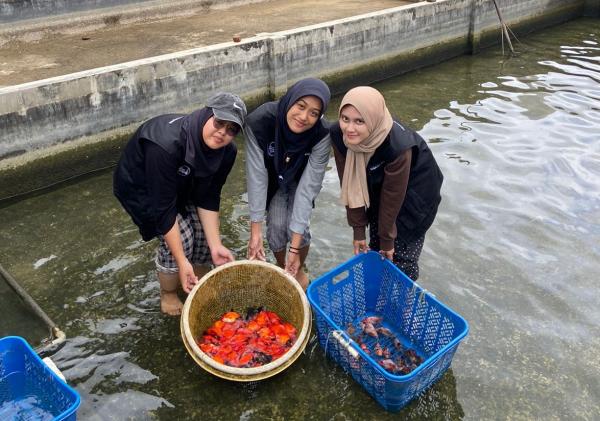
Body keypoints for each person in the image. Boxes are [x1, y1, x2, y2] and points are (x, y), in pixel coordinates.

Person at [113, 92, 247, 315]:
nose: (222, 132)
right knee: (181, 240)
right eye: (219, 122)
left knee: (204, 238)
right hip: (143, 187)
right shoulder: (165, 144)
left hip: (184, 179)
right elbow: (164, 209)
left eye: (231, 129)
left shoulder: (227, 152)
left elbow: (209, 196)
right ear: (207, 114)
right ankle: (168, 294)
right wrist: (181, 260)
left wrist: (215, 246)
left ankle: (197, 283)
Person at [330, 86, 443, 280]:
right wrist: (358, 231)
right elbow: (350, 185)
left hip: (416, 193)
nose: (349, 128)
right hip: (379, 183)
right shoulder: (340, 136)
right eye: (345, 119)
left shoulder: (397, 146)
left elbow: (392, 198)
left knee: (399, 254)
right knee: (375, 248)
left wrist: (387, 241)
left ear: (373, 120)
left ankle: (402, 297)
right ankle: (378, 292)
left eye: (359, 121)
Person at [244, 78, 331, 289]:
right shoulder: (259, 122)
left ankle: (297, 267)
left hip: (301, 178)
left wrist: (294, 249)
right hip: (273, 177)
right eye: (301, 106)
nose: (304, 117)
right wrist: (255, 233)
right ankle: (283, 265)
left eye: (313, 113)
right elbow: (257, 177)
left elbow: (308, 189)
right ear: (290, 100)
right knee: (274, 228)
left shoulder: (322, 134)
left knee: (297, 230)